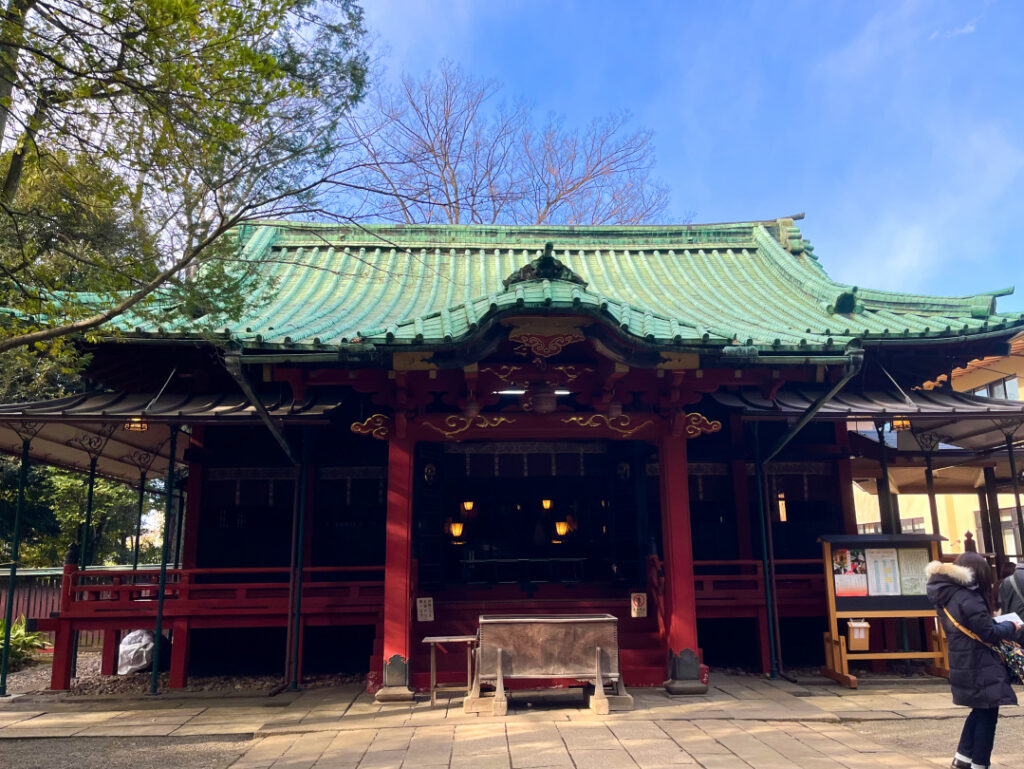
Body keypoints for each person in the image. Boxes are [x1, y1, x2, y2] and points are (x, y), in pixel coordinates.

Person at [927, 552, 1024, 769]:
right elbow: (987, 632)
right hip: (980, 663)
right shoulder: (968, 597)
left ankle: (962, 758)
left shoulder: (948, 593)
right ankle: (980, 764)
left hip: (965, 660)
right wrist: (1012, 626)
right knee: (988, 714)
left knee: (980, 710)